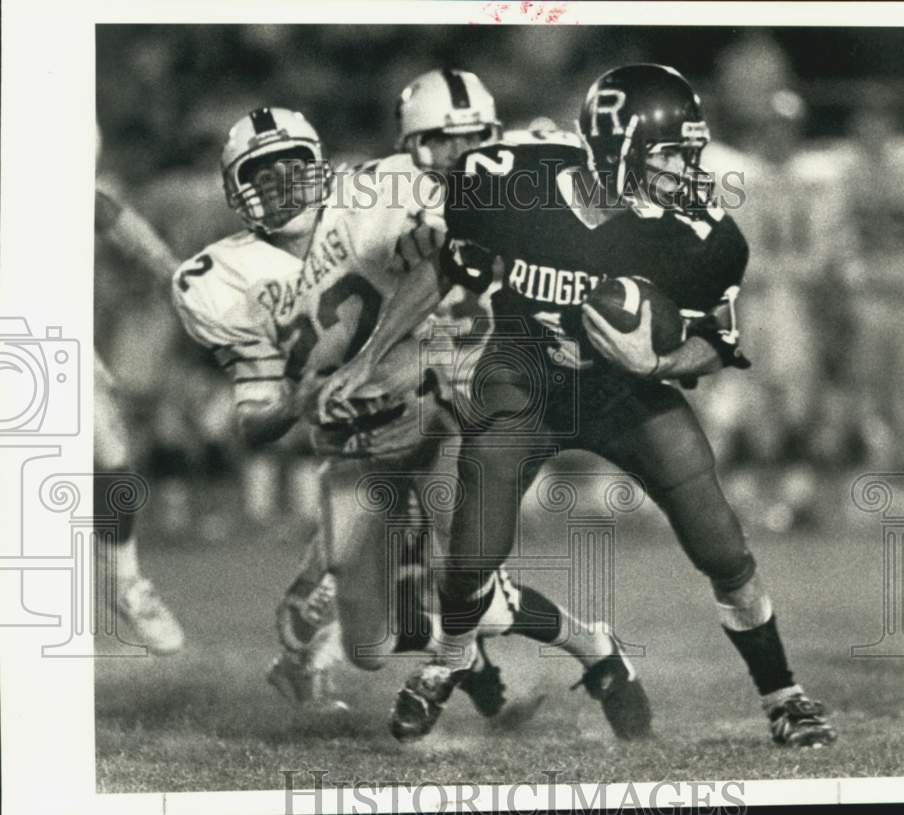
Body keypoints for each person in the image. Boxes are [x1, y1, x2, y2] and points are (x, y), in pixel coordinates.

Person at [321, 64, 838, 748]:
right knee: (470, 557)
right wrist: (370, 355)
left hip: (623, 389)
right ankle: (447, 660)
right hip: (524, 376)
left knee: (722, 544)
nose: (685, 172)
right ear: (616, 147)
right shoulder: (511, 180)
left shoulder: (703, 235)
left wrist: (659, 362)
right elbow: (450, 264)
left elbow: (716, 342)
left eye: (689, 154)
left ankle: (785, 694)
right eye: (669, 156)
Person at [173, 81, 648, 738]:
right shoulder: (218, 278)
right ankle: (476, 662)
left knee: (465, 580)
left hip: (443, 401)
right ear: (235, 185)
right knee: (369, 632)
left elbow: (442, 250)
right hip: (357, 441)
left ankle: (580, 653)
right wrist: (301, 396)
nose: (283, 185)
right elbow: (257, 418)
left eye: (293, 167)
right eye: (264, 173)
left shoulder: (379, 197)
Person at [94, 174, 186, 655]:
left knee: (109, 451)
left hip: (45, 328)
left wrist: (173, 272)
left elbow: (106, 211)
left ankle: (124, 583)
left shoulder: (47, 169)